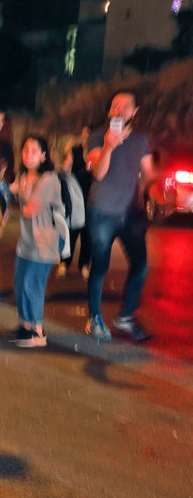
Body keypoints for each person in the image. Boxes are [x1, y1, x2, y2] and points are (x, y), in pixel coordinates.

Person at [84, 92, 155, 343]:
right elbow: (99, 174)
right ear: (108, 112)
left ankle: (125, 317)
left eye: (125, 106)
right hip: (102, 212)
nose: (119, 109)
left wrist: (154, 195)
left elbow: (148, 174)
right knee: (100, 266)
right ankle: (95, 317)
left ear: (134, 112)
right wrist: (108, 146)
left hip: (130, 214)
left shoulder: (141, 140)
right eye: (114, 105)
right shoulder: (96, 137)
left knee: (141, 266)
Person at [9, 135, 64, 348]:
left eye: (33, 151)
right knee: (19, 282)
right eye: (25, 150)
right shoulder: (25, 177)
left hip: (45, 242)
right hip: (27, 240)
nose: (28, 155)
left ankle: (38, 330)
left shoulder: (49, 179)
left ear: (43, 155)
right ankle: (25, 325)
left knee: (33, 284)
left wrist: (8, 199)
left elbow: (31, 209)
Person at [62, 126, 94, 278]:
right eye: (84, 134)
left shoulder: (98, 152)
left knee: (87, 235)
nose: (86, 137)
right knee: (71, 232)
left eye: (89, 134)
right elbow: (64, 169)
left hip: (92, 198)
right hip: (76, 197)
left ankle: (84, 265)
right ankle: (64, 263)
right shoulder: (75, 150)